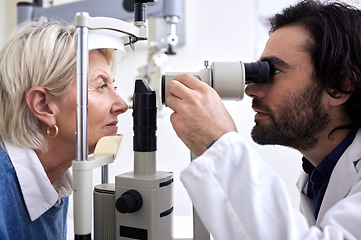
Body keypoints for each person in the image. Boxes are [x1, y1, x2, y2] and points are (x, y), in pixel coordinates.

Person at [166, 0, 361, 239]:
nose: (251, 90)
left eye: (274, 71)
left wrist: (220, 143)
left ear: (340, 86)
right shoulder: (319, 173)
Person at [0, 21, 128, 239]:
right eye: (101, 86)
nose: (122, 105)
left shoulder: (55, 182)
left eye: (113, 86)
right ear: (44, 106)